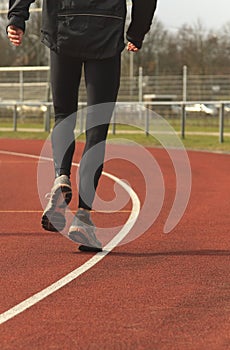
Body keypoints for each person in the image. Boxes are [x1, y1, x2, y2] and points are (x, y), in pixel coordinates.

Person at [7, 0, 158, 252]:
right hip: (106, 32)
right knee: (97, 130)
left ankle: (61, 177)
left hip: (62, 26)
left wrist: (17, 17)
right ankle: (83, 218)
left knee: (64, 114)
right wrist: (137, 31)